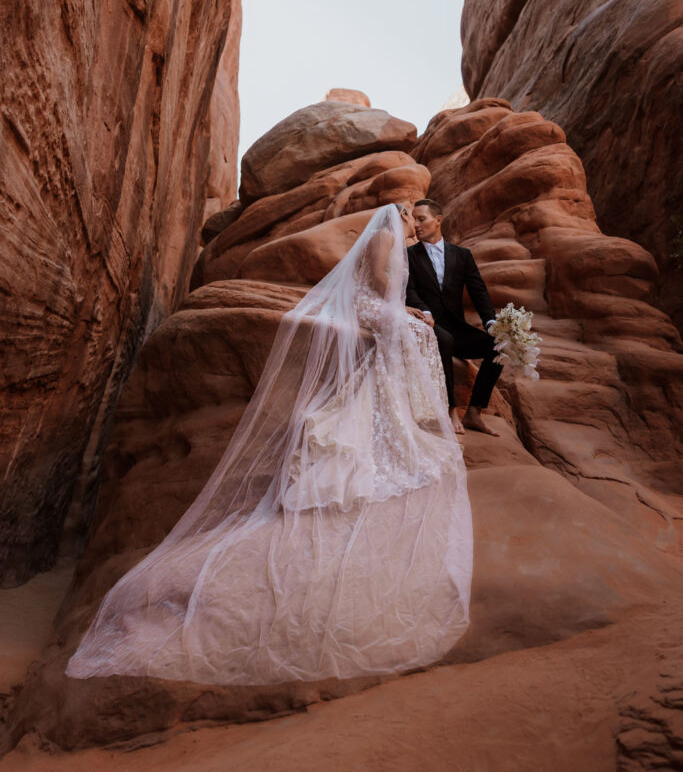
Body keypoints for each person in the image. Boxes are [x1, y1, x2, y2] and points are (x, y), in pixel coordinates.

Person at [65, 203, 473, 686]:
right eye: (408, 212)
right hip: (371, 307)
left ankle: (415, 403)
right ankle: (416, 406)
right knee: (414, 331)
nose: (411, 217)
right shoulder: (385, 239)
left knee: (418, 330)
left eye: (414, 214)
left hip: (375, 307)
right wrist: (403, 310)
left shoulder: (398, 240)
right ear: (398, 216)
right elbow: (381, 283)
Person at [406, 198, 503, 437]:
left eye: (422, 219)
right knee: (444, 340)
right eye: (413, 220)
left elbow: (478, 291)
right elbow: (409, 290)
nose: (416, 225)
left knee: (499, 347)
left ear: (438, 220)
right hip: (426, 323)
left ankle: (474, 412)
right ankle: (450, 410)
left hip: (457, 327)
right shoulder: (408, 255)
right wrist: (424, 312)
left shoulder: (462, 255)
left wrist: (491, 323)